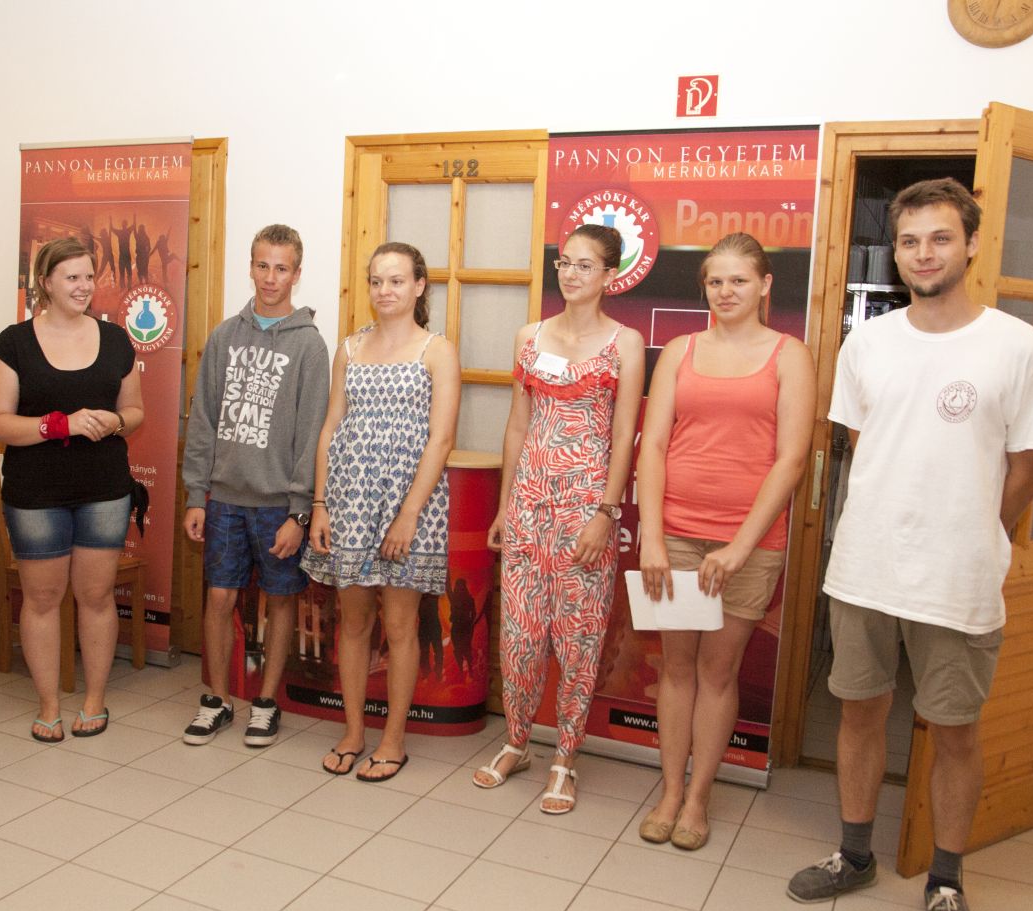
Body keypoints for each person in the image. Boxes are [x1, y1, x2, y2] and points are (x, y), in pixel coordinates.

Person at [786, 179, 1033, 911]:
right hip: (865, 568)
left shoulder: (1019, 348)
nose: (923, 254)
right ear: (896, 252)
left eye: (940, 238)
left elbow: (1030, 469)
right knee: (860, 714)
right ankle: (855, 854)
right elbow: (860, 447)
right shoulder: (868, 344)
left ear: (970, 244)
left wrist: (974, 533)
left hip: (959, 580)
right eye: (909, 241)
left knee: (956, 730)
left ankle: (946, 880)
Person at [636, 232, 816, 847]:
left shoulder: (790, 355)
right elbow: (654, 446)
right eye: (715, 281)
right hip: (677, 536)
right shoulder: (680, 350)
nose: (726, 291)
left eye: (739, 280)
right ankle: (669, 791)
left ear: (765, 285)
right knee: (676, 667)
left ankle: (698, 799)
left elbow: (792, 460)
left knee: (717, 671)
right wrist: (653, 537)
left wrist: (740, 547)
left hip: (750, 545)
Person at [472, 224, 645, 814]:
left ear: (610, 276)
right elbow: (518, 425)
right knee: (520, 636)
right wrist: (504, 505)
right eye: (564, 263)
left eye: (585, 265)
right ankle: (516, 742)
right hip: (528, 506)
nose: (571, 274)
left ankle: (565, 759)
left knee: (578, 640)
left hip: (586, 512)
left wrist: (606, 514)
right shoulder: (530, 336)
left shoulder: (625, 343)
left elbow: (625, 435)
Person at [302, 242, 460, 781]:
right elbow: (330, 428)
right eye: (376, 281)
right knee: (353, 622)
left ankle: (393, 740)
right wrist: (320, 505)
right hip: (349, 500)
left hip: (410, 504)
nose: (385, 290)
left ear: (419, 286)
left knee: (399, 625)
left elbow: (441, 439)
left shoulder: (437, 351)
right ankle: (353, 732)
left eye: (396, 280)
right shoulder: (348, 349)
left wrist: (409, 515)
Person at [0, 237, 144, 741]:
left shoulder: (116, 340)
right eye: (72, 277)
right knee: (42, 598)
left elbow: (135, 412)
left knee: (96, 596)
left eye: (89, 276)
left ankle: (94, 699)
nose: (83, 286)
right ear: (45, 282)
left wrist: (115, 421)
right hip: (36, 493)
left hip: (104, 490)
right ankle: (48, 704)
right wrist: (58, 426)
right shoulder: (13, 343)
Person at [181, 224, 328, 747]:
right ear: (250, 267)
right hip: (224, 499)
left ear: (297, 274)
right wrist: (195, 495)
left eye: (281, 268)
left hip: (278, 506)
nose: (270, 277)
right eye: (262, 266)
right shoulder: (225, 336)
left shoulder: (310, 345)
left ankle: (266, 702)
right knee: (220, 596)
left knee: (280, 599)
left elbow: (313, 433)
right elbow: (203, 419)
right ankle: (216, 700)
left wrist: (299, 512)